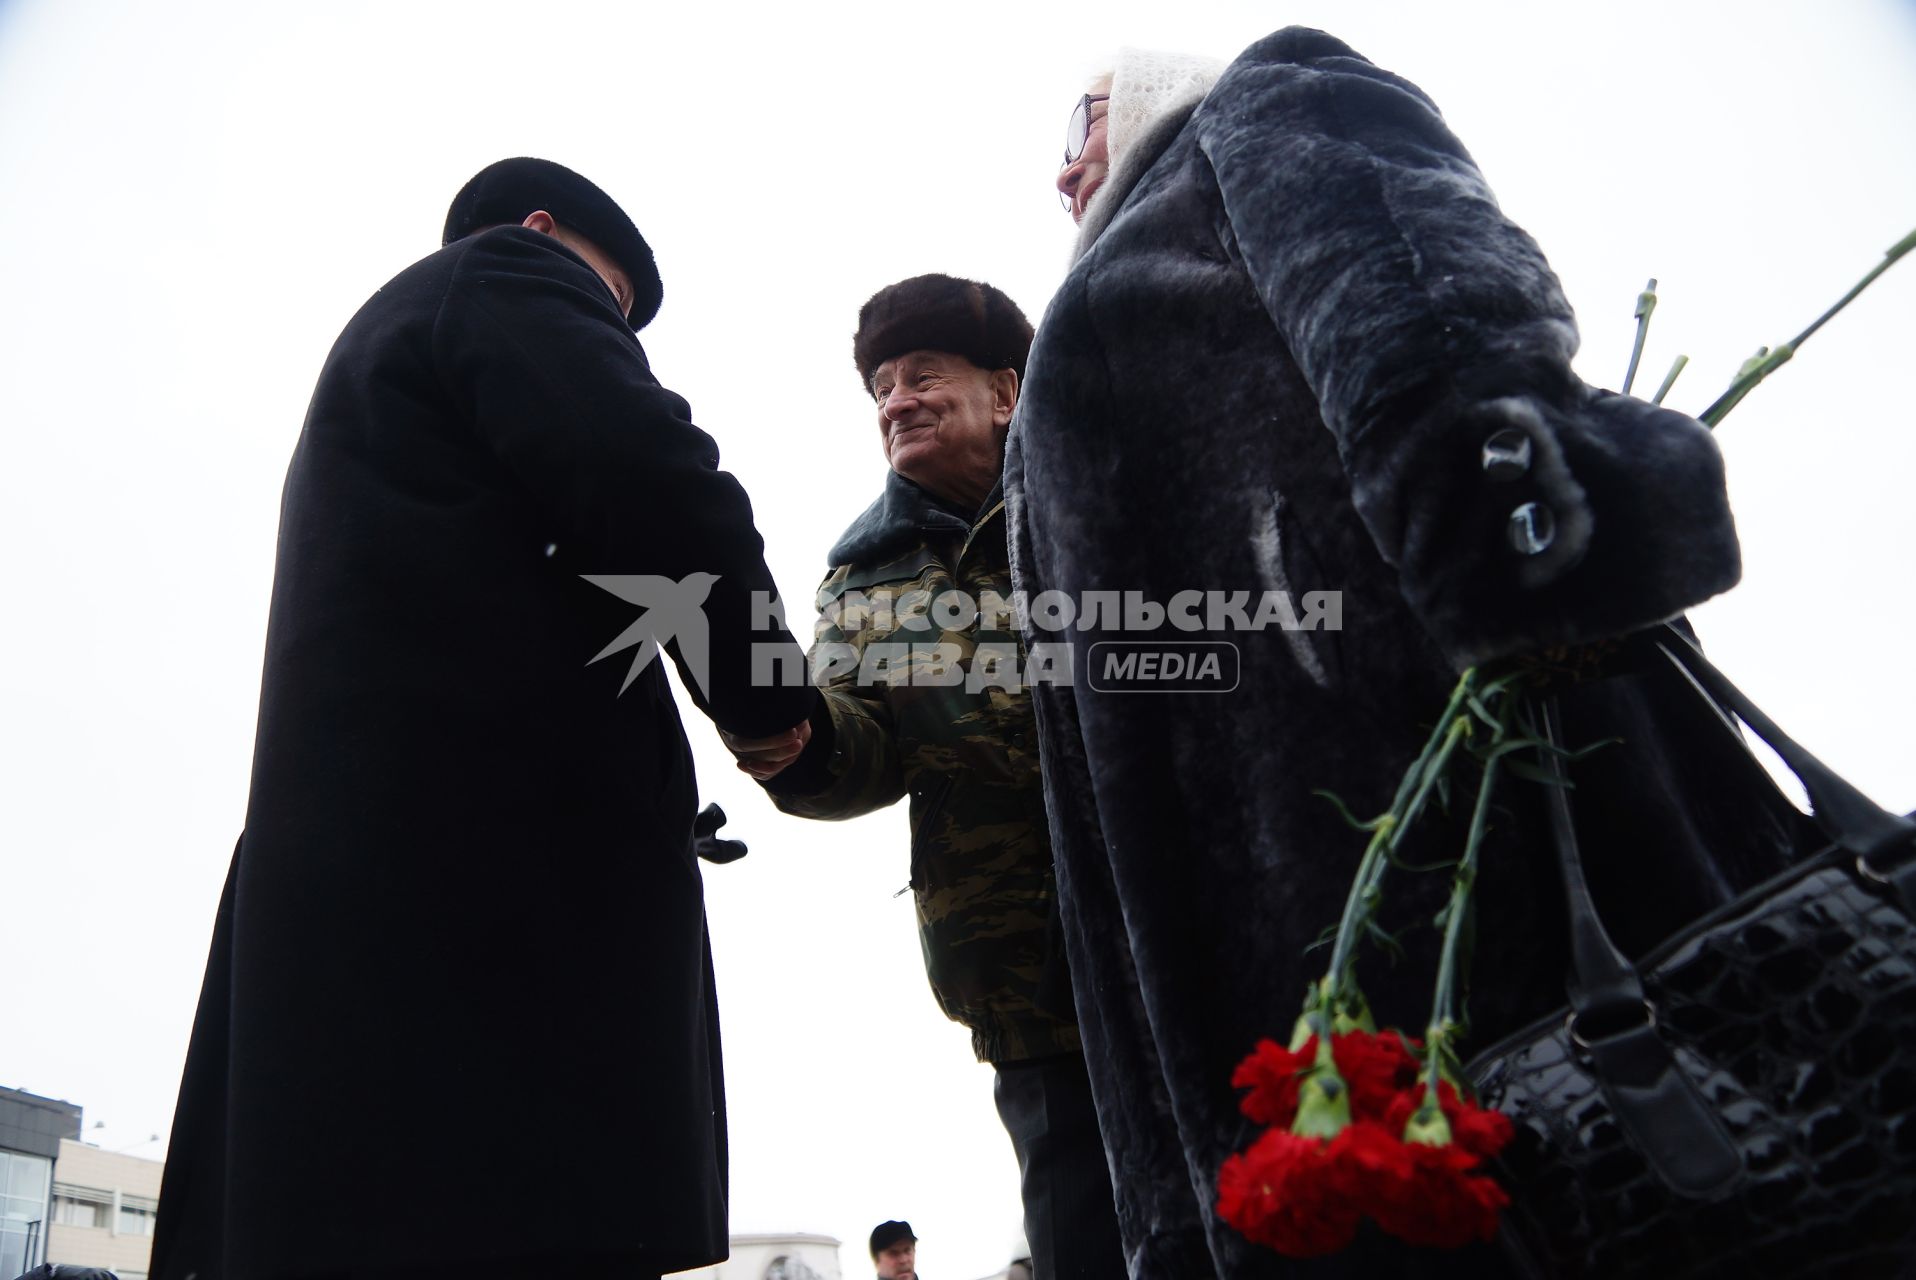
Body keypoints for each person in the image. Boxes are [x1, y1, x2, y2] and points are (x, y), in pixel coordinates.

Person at [1011, 32, 1809, 1278]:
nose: (1061, 170)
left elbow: (1443, 334)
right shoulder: (1099, 291)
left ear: (1159, 85)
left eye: (1080, 123)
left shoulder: (1269, 104)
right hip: (1241, 967)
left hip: (1451, 845)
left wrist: (1553, 543)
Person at [151, 157, 815, 1280]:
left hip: (376, 955)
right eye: (612, 306)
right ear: (547, 231)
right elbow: (652, 481)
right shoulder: (508, 272)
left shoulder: (381, 371)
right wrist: (765, 701)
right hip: (497, 934)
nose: (617, 342)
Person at [743, 276, 1125, 1280]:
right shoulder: (863, 578)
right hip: (1023, 987)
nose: (894, 400)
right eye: (879, 386)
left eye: (921, 375)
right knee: (1084, 1238)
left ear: (1005, 390)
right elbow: (859, 743)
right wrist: (801, 741)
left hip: (1182, 944)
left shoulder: (1107, 488)